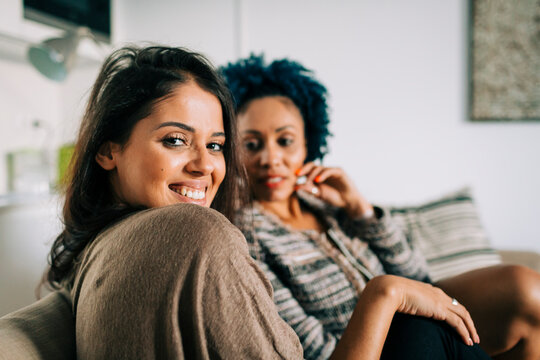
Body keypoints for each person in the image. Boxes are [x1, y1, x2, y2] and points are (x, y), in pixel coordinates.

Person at [221, 55, 540, 360]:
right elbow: (314, 351)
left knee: (524, 288)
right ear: (234, 150)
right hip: (375, 348)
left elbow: (419, 277)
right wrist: (386, 298)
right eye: (251, 144)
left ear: (308, 144)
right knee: (423, 328)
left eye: (285, 140)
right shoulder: (245, 237)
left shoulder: (331, 209)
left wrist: (361, 210)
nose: (270, 158)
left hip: (420, 335)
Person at [44, 46, 303, 359]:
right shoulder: (197, 232)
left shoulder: (100, 250)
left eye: (215, 145)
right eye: (175, 140)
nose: (205, 165)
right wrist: (379, 295)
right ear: (107, 151)